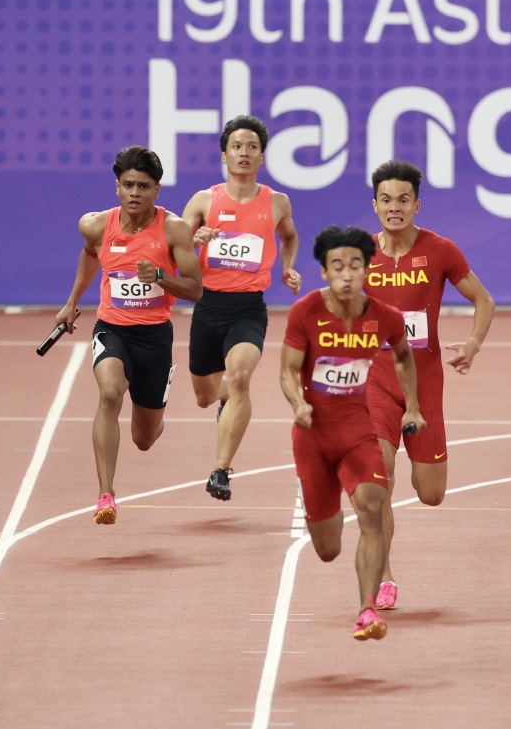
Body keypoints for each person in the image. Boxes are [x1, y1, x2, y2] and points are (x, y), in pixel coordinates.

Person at [362, 160, 495, 610]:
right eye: (386, 200)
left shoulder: (440, 250)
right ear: (375, 205)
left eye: (403, 200)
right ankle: (384, 575)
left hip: (425, 386)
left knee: (431, 494)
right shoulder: (359, 253)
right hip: (374, 382)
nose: (394, 208)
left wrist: (473, 345)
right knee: (377, 483)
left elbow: (484, 299)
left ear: (416, 205)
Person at [280, 225, 424, 640]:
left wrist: (412, 405)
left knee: (373, 508)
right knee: (327, 549)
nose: (347, 274)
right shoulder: (305, 311)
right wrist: (298, 403)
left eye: (355, 266)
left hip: (358, 432)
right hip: (313, 438)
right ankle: (324, 505)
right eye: (338, 266)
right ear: (324, 272)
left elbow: (403, 356)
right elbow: (288, 371)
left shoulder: (385, 317)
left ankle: (367, 610)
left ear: (367, 270)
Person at [53, 146, 203, 524]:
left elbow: (196, 289)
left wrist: (161, 277)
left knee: (144, 438)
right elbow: (91, 253)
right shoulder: (96, 225)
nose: (135, 192)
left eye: (144, 186)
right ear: (117, 187)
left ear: (157, 190)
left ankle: (155, 409)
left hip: (154, 338)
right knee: (108, 393)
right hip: (112, 329)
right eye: (128, 185)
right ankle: (106, 494)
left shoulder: (174, 229)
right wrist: (72, 302)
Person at [182, 115, 301, 501]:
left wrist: (287, 267)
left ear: (261, 156)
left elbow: (290, 236)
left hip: (249, 309)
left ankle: (221, 470)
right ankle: (222, 400)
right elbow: (175, 246)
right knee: (204, 395)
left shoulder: (277, 202)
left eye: (252, 147)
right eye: (237, 146)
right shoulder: (204, 200)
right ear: (224, 155)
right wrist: (196, 239)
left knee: (240, 378)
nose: (244, 153)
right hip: (208, 307)